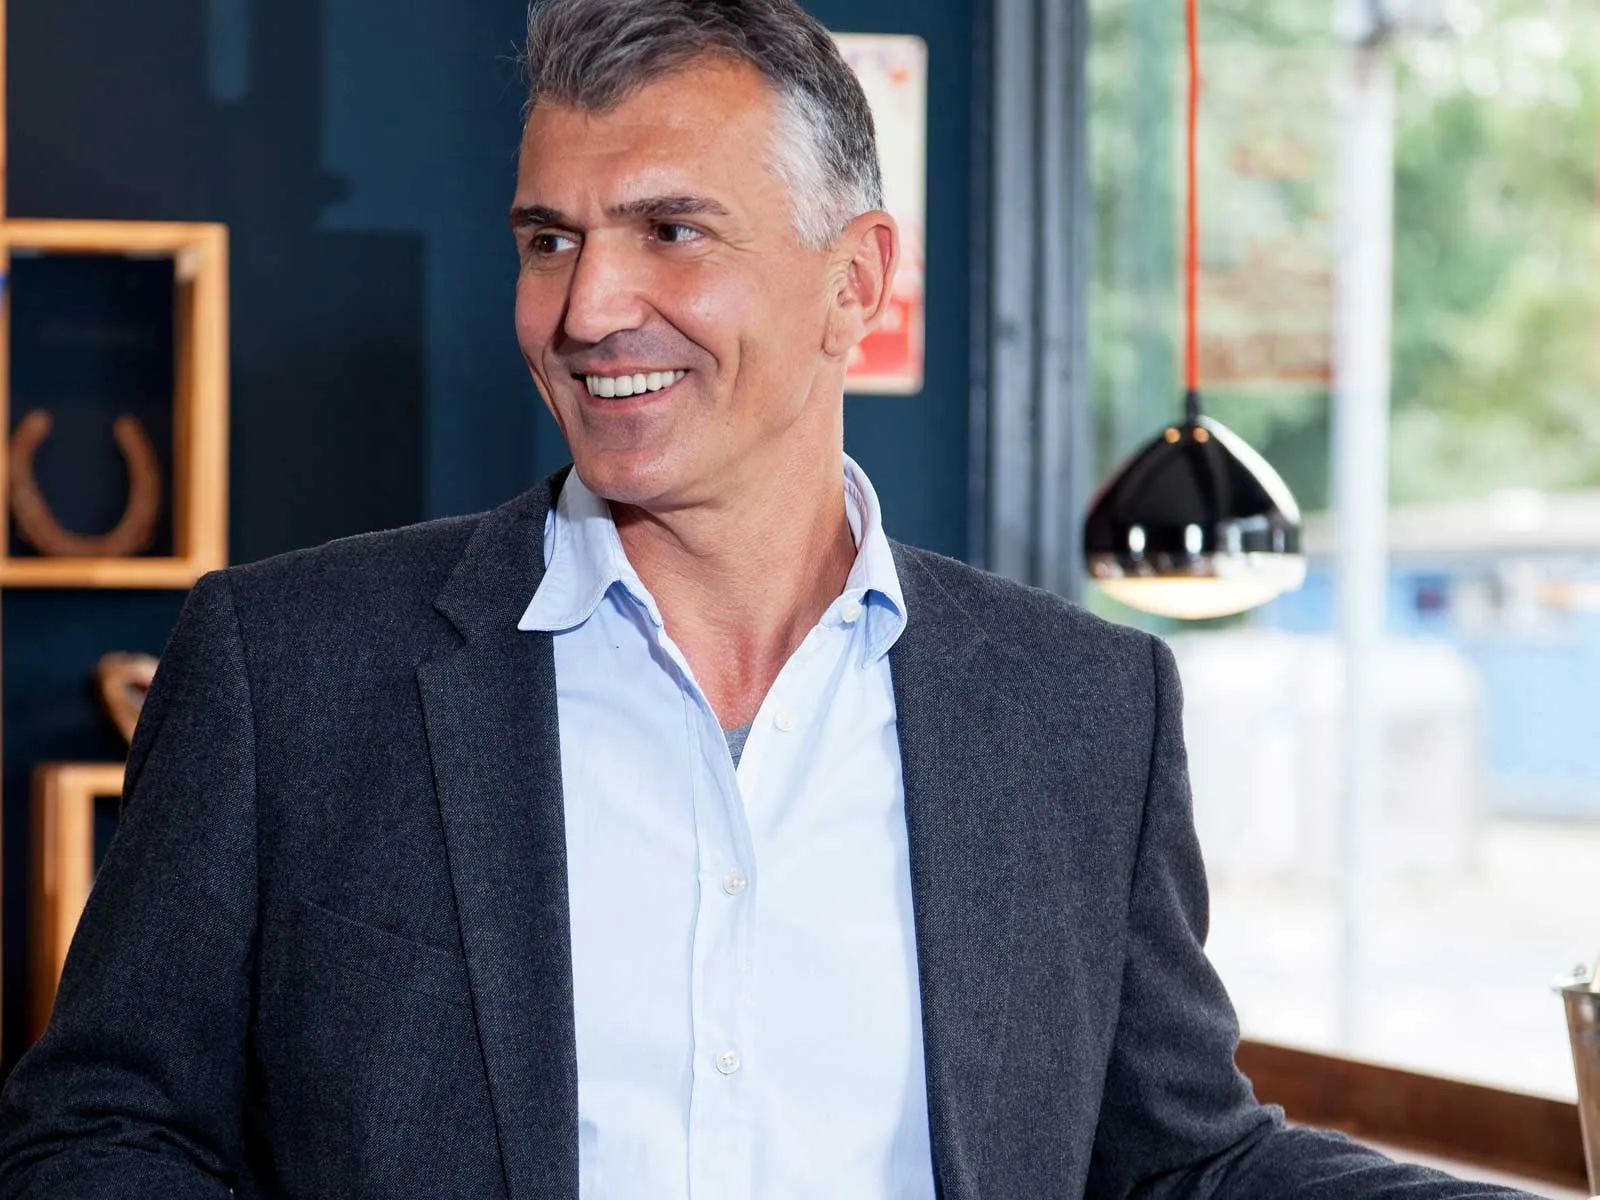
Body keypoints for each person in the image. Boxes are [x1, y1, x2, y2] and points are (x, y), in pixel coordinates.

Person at [0, 2, 1554, 1197]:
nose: (588, 309)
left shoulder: (1083, 710)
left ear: (855, 283)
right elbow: (98, 1129)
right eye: (552, 239)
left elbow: (1177, 1163)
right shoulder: (291, 668)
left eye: (671, 230)